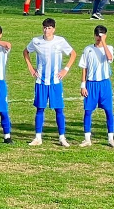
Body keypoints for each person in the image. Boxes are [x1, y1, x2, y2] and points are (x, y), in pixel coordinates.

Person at [24, 17, 77, 147]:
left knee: (59, 109)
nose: (47, 30)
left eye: (49, 28)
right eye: (45, 27)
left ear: (54, 29)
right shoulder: (36, 41)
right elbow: (25, 52)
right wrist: (30, 67)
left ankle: (62, 137)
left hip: (55, 81)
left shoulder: (60, 41)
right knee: (40, 108)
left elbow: (73, 54)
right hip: (41, 81)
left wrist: (65, 69)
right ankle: (38, 137)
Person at [79, 24, 114, 148]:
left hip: (105, 84)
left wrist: (104, 42)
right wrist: (83, 85)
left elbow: (109, 58)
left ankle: (111, 138)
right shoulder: (88, 49)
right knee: (88, 111)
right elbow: (84, 68)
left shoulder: (109, 48)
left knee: (109, 111)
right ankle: (87, 138)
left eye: (101, 36)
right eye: (97, 35)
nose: (98, 38)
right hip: (91, 84)